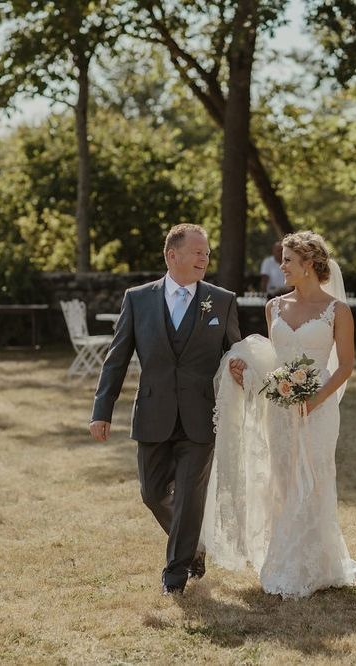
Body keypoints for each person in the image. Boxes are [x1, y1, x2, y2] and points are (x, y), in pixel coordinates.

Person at [201, 230, 356, 598]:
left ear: (309, 264)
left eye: (289, 260)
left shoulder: (337, 311)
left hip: (319, 408)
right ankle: (288, 559)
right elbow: (274, 359)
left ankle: (312, 564)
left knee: (315, 478)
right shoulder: (273, 307)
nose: (282, 267)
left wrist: (315, 401)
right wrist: (246, 373)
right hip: (280, 407)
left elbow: (344, 367)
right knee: (283, 480)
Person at [89, 223, 241, 595]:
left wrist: (241, 368)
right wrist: (102, 408)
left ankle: (175, 575)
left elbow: (234, 351)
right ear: (172, 255)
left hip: (201, 416)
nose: (205, 257)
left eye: (207, 252)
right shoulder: (138, 299)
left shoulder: (221, 300)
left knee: (190, 495)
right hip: (153, 413)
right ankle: (195, 546)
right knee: (152, 493)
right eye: (197, 251)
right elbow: (117, 357)